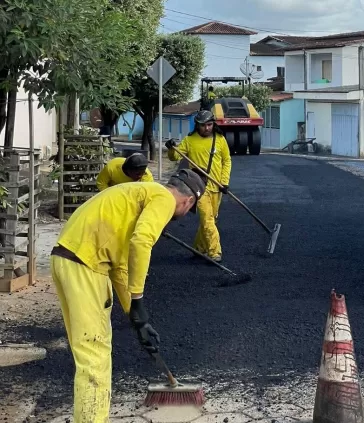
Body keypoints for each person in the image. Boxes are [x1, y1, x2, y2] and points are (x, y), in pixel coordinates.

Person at [50, 169, 206, 422]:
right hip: (85, 265)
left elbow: (121, 267)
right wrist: (139, 298)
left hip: (69, 260)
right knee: (94, 356)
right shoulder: (163, 198)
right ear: (189, 201)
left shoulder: (139, 195)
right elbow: (141, 242)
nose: (185, 214)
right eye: (190, 209)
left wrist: (136, 315)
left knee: (89, 349)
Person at [165, 110, 232, 262]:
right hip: (199, 188)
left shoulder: (220, 139)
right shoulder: (190, 140)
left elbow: (227, 161)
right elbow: (174, 156)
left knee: (211, 219)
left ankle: (198, 248)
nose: (207, 128)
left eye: (209, 125)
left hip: (217, 186)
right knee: (207, 219)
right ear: (197, 126)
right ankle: (215, 252)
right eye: (203, 126)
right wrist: (171, 148)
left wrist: (224, 182)